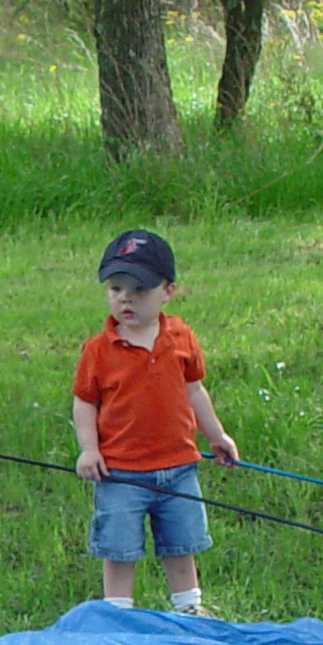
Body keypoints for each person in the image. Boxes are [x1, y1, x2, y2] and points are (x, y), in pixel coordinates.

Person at [70, 228, 242, 615]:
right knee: (119, 547)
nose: (126, 298)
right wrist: (89, 449)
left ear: (168, 291)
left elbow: (194, 390)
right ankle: (118, 612)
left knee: (180, 543)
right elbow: (85, 403)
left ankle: (188, 607)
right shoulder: (98, 350)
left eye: (140, 289)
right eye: (116, 288)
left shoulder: (180, 337)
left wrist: (216, 435)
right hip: (120, 472)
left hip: (178, 467)